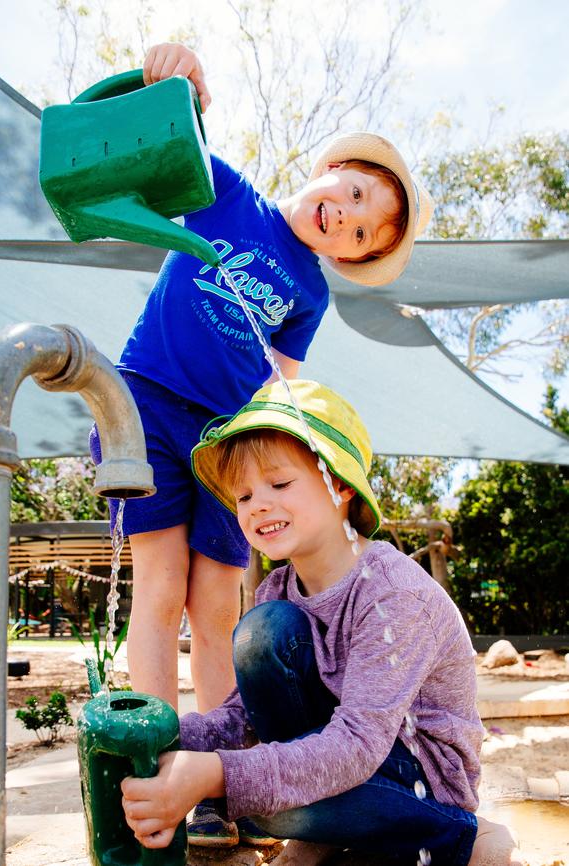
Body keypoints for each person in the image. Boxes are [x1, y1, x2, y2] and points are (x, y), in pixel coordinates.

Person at [89, 40, 433, 844]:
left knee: (219, 610)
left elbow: (281, 387)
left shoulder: (308, 293)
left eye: (358, 230)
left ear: (352, 257)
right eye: (347, 193)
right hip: (145, 402)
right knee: (160, 588)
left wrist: (297, 471)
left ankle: (209, 787)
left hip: (225, 445)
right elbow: (168, 141)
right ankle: (151, 767)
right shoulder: (229, 196)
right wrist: (177, 83)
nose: (342, 217)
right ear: (325, 170)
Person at [119, 379, 525, 866]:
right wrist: (166, 742)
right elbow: (242, 716)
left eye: (279, 483)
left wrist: (215, 774)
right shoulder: (277, 590)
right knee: (264, 632)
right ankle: (325, 834)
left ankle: (463, 837)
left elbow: (356, 745)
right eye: (243, 495)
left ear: (339, 486)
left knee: (266, 804)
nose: (258, 504)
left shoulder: (391, 591)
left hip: (417, 782)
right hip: (340, 762)